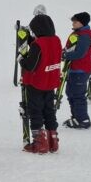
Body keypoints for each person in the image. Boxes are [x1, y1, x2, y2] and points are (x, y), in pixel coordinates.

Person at [18, 14, 62, 153]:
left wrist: (21, 59)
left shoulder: (39, 44)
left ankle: (40, 142)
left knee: (35, 111)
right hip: (50, 80)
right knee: (49, 110)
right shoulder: (55, 40)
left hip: (36, 82)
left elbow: (31, 65)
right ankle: (52, 139)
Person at [62, 12, 91, 129]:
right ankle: (76, 117)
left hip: (81, 70)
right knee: (71, 93)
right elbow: (71, 48)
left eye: (75, 21)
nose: (73, 23)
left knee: (78, 95)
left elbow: (80, 53)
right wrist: (64, 52)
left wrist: (65, 55)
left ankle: (83, 120)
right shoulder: (78, 33)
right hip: (75, 69)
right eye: (73, 21)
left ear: (82, 22)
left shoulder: (85, 35)